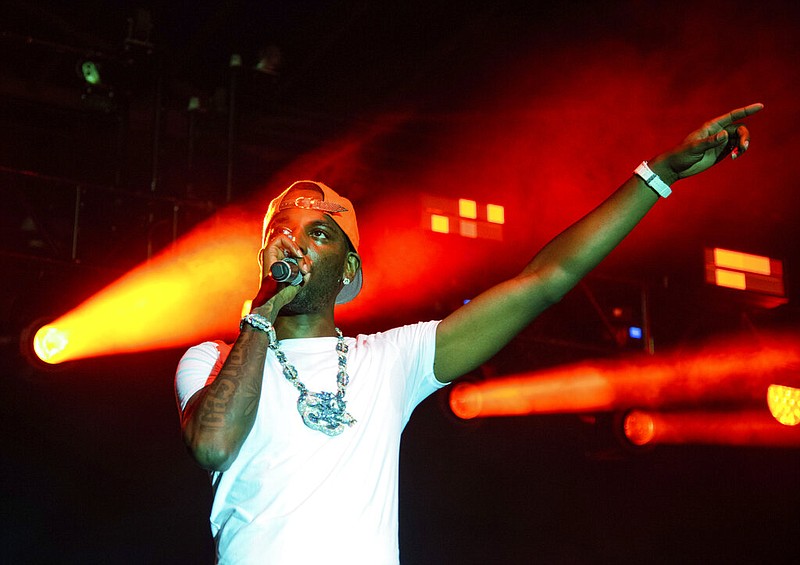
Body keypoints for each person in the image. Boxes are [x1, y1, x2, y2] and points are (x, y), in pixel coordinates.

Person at [175, 103, 763, 564]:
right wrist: (262, 310)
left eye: (318, 234)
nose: (294, 241)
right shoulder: (209, 360)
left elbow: (545, 281)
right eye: (281, 230)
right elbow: (213, 443)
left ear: (349, 270)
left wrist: (656, 176)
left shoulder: (390, 360)